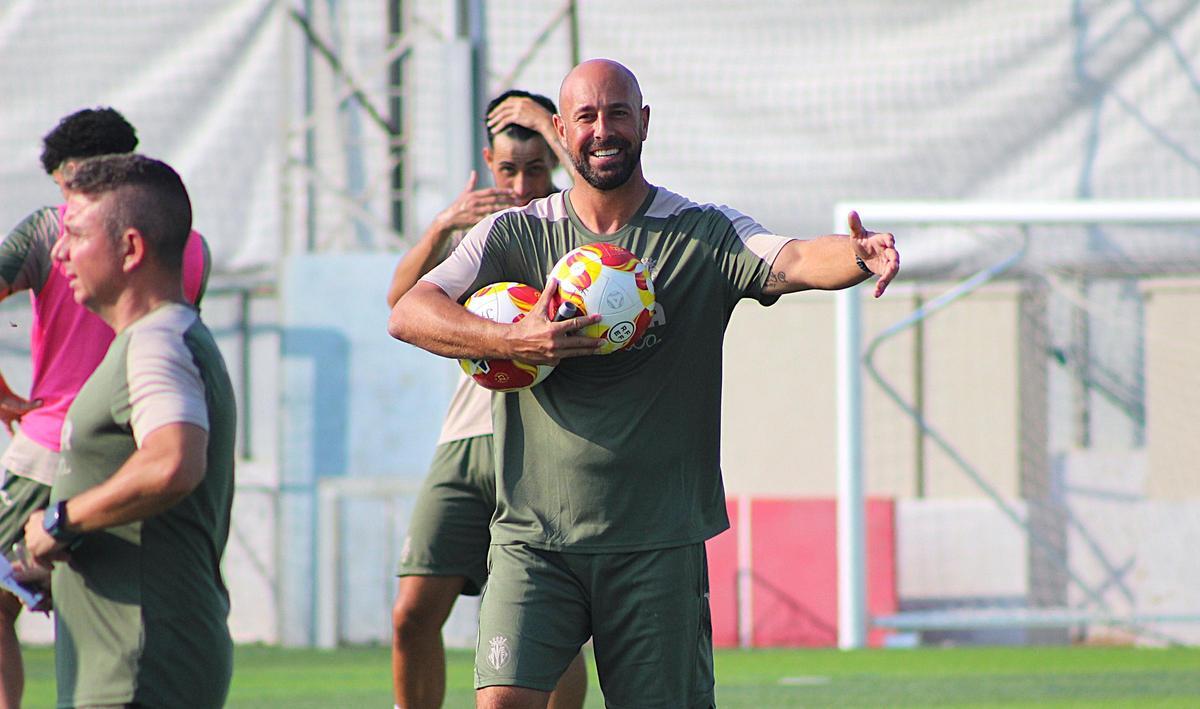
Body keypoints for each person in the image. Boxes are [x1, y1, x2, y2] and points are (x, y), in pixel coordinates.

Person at [389, 59, 899, 708]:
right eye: (587, 117)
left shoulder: (700, 234)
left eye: (619, 114)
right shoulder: (516, 232)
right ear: (560, 131)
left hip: (658, 546)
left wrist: (856, 254)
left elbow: (791, 257)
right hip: (534, 539)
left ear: (645, 123)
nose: (604, 130)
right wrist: (516, 340)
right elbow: (410, 311)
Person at [0, 107, 209, 709]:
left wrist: (4, 395)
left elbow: (172, 460)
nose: (67, 242)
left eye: (73, 200)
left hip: (55, 444)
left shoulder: (47, 230)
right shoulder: (189, 244)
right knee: (94, 591)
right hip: (142, 437)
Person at [387, 90, 586, 709]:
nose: (522, 184)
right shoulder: (477, 237)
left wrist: (550, 133)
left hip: (537, 448)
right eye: (508, 170)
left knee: (547, 626)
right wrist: (441, 225)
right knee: (411, 613)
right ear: (487, 165)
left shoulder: (569, 229)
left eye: (536, 168)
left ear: (555, 162)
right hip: (462, 444)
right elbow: (399, 301)